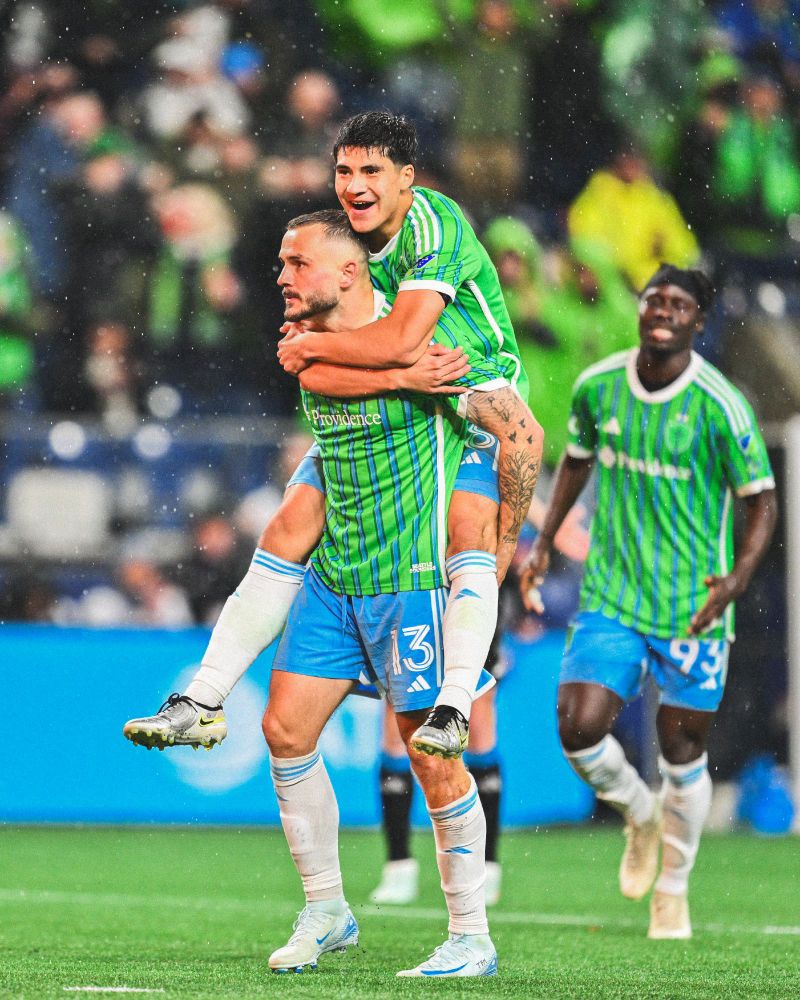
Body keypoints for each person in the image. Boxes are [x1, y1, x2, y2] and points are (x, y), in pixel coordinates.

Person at [259, 212, 498, 976]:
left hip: (411, 580)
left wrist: (497, 531)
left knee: (433, 758)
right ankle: (327, 909)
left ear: (349, 270)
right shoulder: (307, 345)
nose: (283, 277)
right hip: (338, 577)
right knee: (284, 731)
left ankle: (471, 936)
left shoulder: (431, 336)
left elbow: (493, 415)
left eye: (297, 263)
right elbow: (326, 378)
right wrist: (387, 372)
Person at [520, 264, 777, 940]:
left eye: (679, 304)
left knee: (682, 749)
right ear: (639, 311)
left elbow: (762, 501)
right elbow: (576, 460)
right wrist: (544, 541)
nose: (663, 310)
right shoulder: (598, 386)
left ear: (699, 321)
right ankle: (639, 811)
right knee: (577, 727)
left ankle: (673, 888)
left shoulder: (721, 405)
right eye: (654, 299)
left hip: (694, 603)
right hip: (614, 593)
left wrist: (737, 580)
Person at [277, 111, 538, 757]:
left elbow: (399, 341)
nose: (354, 184)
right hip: (405, 391)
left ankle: (455, 703)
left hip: (471, 388)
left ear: (407, 178)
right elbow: (324, 369)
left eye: (372, 170)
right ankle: (207, 691)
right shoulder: (346, 238)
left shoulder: (432, 227)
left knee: (470, 535)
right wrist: (316, 348)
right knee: (290, 522)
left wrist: (313, 345)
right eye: (344, 170)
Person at [371, 626, 506, 908]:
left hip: (467, 608)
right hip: (410, 605)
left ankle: (485, 867)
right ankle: (398, 865)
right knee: (398, 705)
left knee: (478, 709)